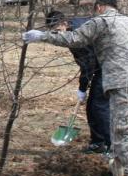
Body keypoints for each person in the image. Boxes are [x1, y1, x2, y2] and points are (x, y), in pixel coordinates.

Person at [24, 0, 128, 176]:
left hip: (121, 83)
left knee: (122, 133)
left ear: (99, 7)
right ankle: (118, 168)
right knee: (118, 128)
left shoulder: (101, 21)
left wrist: (42, 36)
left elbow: (74, 39)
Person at [46, 10, 110, 154]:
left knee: (99, 107)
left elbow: (88, 63)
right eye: (54, 33)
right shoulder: (72, 30)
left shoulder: (78, 33)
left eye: (57, 30)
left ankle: (108, 145)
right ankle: (98, 143)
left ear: (64, 23)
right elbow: (85, 62)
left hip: (109, 67)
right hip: (101, 66)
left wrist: (82, 87)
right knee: (93, 107)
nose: (57, 35)